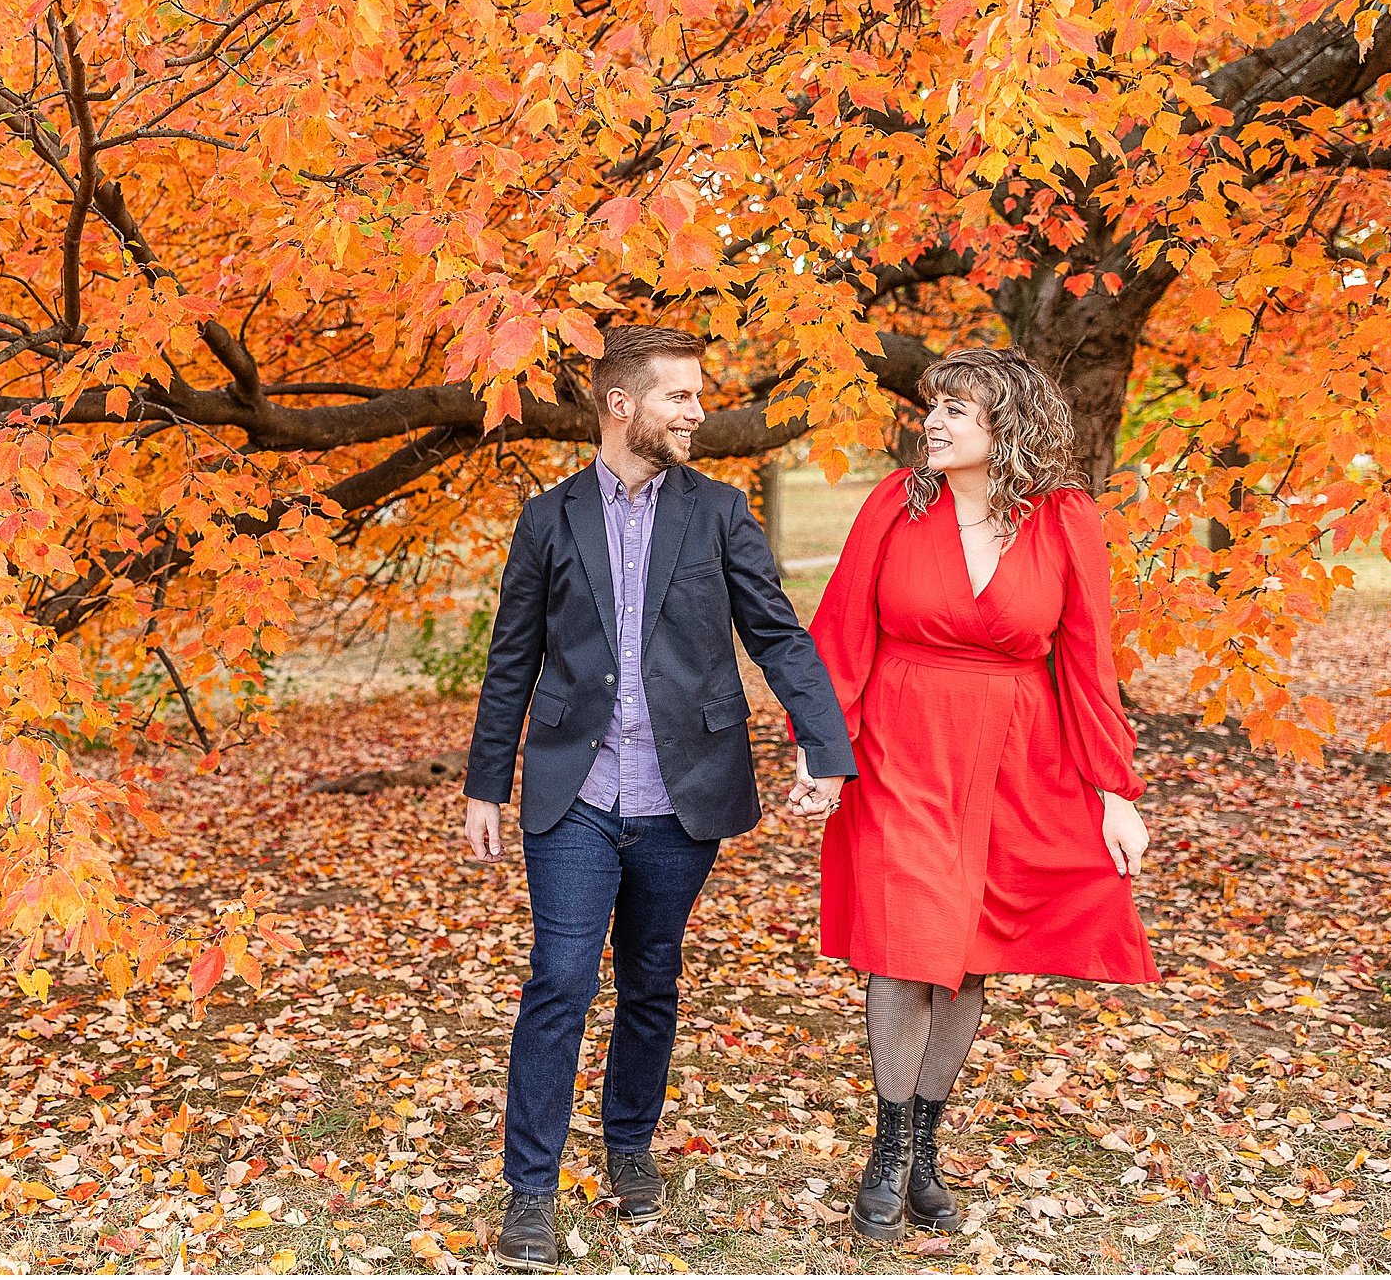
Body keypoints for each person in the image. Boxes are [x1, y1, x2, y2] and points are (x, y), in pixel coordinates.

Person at [460, 324, 856, 1272]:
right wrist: (485, 782)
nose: (697, 411)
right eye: (678, 395)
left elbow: (777, 636)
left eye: (697, 395)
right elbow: (512, 654)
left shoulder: (718, 512)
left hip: (684, 793)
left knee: (651, 977)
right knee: (559, 980)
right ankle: (531, 1192)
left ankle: (629, 1147)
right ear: (620, 403)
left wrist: (824, 747)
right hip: (575, 789)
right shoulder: (549, 518)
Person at [791, 346, 1157, 1242]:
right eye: (936, 405)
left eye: (959, 409)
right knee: (904, 943)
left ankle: (923, 1144)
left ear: (1011, 426)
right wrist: (823, 752)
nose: (936, 420)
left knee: (967, 946)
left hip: (1014, 755)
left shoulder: (1063, 519)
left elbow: (1086, 659)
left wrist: (1114, 788)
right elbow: (839, 629)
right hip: (900, 745)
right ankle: (885, 1147)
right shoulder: (893, 503)